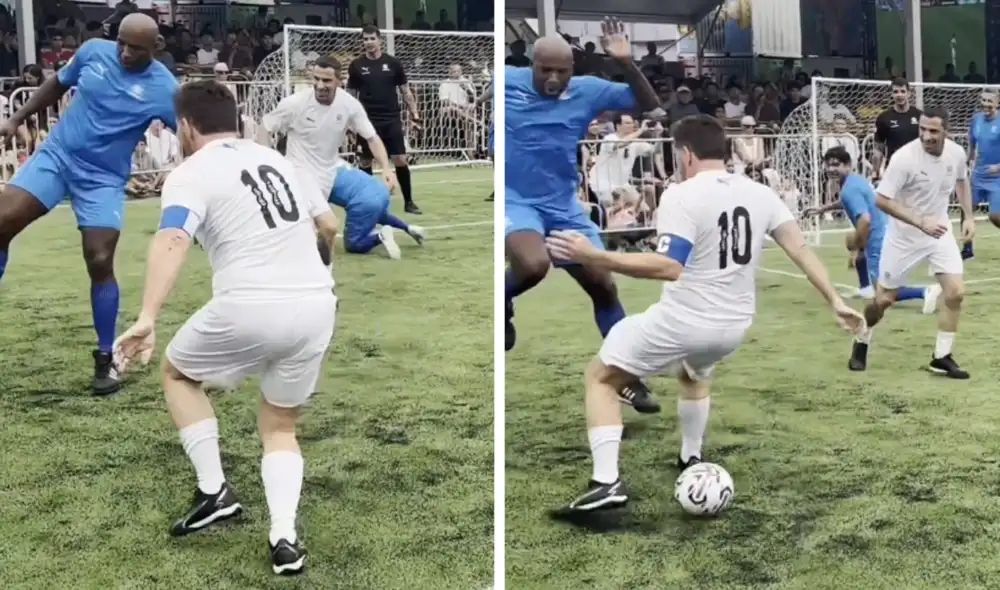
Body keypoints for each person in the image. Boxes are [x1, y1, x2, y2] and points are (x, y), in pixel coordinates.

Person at [544, 115, 864, 515]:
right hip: (732, 328)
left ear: (685, 153)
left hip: (684, 320)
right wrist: (834, 298)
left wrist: (593, 255)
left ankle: (606, 483)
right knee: (695, 376)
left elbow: (668, 267)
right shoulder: (760, 192)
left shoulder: (681, 193)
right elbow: (800, 248)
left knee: (601, 376)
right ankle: (690, 459)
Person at [113, 80, 339, 576]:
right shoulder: (279, 160)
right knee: (280, 425)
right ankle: (284, 539)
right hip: (317, 304)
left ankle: (215, 491)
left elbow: (174, 236)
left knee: (176, 373)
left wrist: (148, 317)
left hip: (250, 305)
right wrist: (321, 273)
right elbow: (327, 227)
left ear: (186, 127)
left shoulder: (191, 171)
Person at [0, 13, 177, 395]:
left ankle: (105, 358)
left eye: (136, 48)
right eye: (122, 44)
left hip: (102, 180)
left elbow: (193, 132)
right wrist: (16, 119)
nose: (125, 53)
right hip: (57, 158)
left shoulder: (164, 87)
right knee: (1, 221)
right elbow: (55, 85)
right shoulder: (93, 52)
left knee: (99, 258)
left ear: (156, 48)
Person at [504, 18, 665, 414]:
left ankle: (625, 377)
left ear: (573, 69)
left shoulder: (588, 91)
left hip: (563, 206)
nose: (554, 77)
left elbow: (652, 107)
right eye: (546, 70)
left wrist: (626, 62)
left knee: (603, 286)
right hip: (516, 200)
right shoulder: (505, 80)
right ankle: (503, 298)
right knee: (533, 265)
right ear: (532, 66)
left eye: (562, 70)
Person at [853, 107, 974, 378]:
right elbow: (881, 200)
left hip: (939, 232)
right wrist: (920, 221)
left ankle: (941, 357)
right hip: (903, 239)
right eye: (922, 129)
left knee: (955, 293)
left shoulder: (956, 153)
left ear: (946, 131)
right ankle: (862, 337)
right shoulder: (904, 158)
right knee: (883, 301)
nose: (926, 136)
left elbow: (962, 182)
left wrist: (968, 216)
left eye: (933, 131)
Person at [261, 56, 397, 202]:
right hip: (299, 173)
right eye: (316, 79)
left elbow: (372, 137)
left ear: (339, 81)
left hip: (331, 170)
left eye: (326, 80)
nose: (320, 85)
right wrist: (266, 163)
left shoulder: (350, 105)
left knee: (373, 199)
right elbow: (264, 127)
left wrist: (386, 168)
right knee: (326, 224)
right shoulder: (295, 103)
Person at [820, 147, 933, 319]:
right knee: (859, 250)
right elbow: (848, 201)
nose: (831, 169)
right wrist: (823, 209)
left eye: (836, 165)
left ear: (848, 165)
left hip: (878, 236)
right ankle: (865, 289)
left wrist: (857, 250)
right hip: (886, 228)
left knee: (883, 291)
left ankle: (925, 291)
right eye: (828, 165)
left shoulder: (849, 189)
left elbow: (864, 220)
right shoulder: (855, 181)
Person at [348, 25, 422, 214]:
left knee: (400, 159)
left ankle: (409, 202)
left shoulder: (394, 63)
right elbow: (350, 95)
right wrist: (349, 121)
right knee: (365, 161)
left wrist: (415, 114)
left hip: (391, 118)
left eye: (372, 38)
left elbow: (405, 91)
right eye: (365, 39)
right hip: (366, 120)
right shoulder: (356, 65)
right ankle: (367, 202)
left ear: (379, 40)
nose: (368, 42)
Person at [330, 164, 426, 258]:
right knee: (379, 215)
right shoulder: (334, 163)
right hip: (381, 191)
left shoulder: (319, 176)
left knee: (353, 244)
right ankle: (408, 228)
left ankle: (380, 237)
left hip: (363, 201)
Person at [965, 90, 1000, 258]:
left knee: (995, 216)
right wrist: (967, 160)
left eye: (989, 101)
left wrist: (999, 167)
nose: (986, 104)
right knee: (967, 209)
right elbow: (971, 142)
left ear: (997, 102)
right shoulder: (976, 119)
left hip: (997, 177)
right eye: (983, 100)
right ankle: (967, 248)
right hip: (978, 174)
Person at [872, 78, 921, 179]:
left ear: (909, 94)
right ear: (891, 94)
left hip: (917, 168)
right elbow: (878, 149)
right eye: (896, 92)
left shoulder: (920, 115)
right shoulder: (884, 118)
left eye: (903, 91)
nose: (899, 95)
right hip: (893, 168)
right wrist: (875, 171)